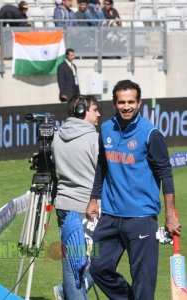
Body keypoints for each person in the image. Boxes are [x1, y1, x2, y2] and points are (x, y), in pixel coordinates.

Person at [86, 79, 182, 300]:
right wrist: (94, 198)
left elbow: (165, 174)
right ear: (114, 103)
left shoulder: (151, 134)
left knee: (143, 281)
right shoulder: (106, 128)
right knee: (98, 268)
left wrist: (170, 215)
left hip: (141, 218)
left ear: (139, 103)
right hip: (110, 216)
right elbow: (102, 165)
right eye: (121, 102)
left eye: (131, 102)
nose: (126, 106)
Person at [52, 94, 101, 300]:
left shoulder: (55, 136)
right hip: (86, 208)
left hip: (64, 206)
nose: (98, 114)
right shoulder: (94, 138)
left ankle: (66, 291)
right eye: (94, 109)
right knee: (88, 265)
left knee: (74, 263)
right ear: (82, 111)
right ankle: (67, 291)